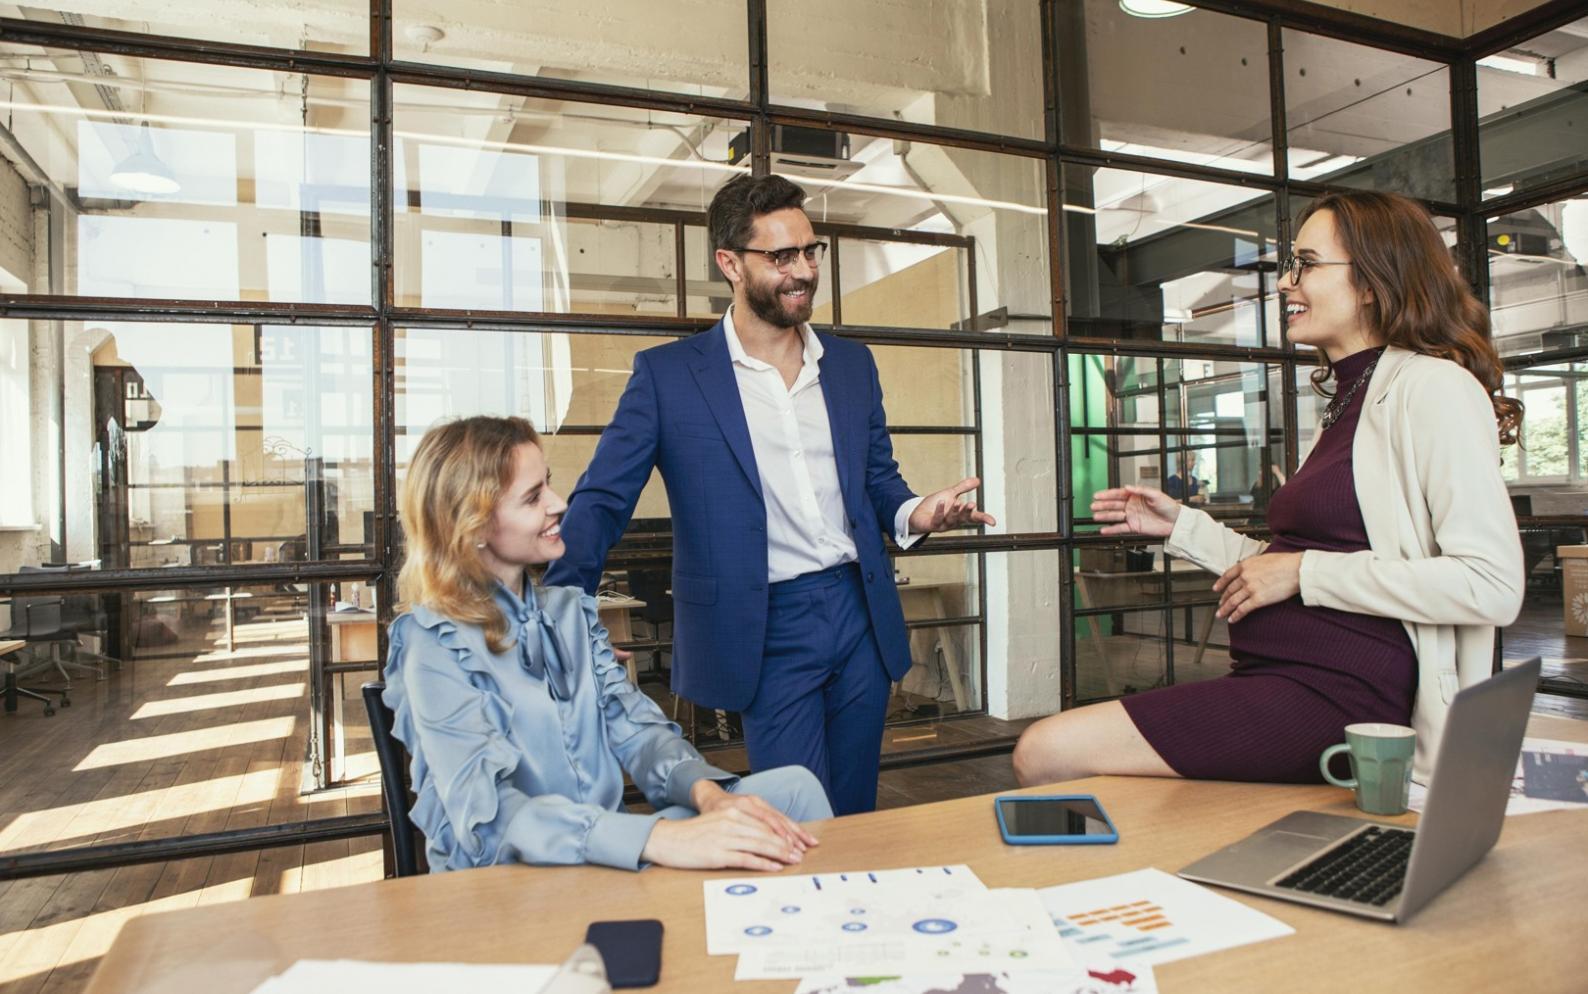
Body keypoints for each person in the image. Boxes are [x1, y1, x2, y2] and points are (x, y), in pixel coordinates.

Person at [1013, 190, 1524, 788]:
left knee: (1046, 750)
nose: (1285, 282)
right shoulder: (1351, 399)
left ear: (1371, 281)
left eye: (1306, 264)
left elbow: (1492, 585)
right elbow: (1286, 569)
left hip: (1344, 696)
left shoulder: (1433, 387)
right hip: (1282, 678)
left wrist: (1304, 571)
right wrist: (1182, 528)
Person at [546, 174, 994, 815]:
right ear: (729, 263)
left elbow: (877, 479)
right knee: (798, 815)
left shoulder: (850, 365)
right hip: (765, 625)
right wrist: (556, 610)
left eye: (811, 252)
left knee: (856, 812)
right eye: (782, 256)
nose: (804, 271)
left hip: (857, 612)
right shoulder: (669, 376)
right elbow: (602, 500)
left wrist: (915, 511)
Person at [383, 416, 832, 873]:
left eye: (549, 485)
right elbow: (494, 817)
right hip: (512, 878)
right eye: (533, 497)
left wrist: (709, 795)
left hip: (607, 849)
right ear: (473, 525)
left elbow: (637, 732)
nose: (559, 504)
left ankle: (818, 934)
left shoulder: (569, 613)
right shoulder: (430, 643)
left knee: (794, 790)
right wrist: (657, 838)